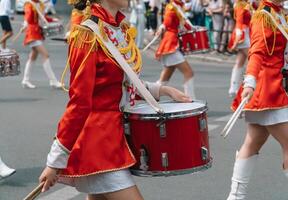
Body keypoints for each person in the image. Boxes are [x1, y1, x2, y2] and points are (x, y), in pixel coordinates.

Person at [38, 0, 191, 199]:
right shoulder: (86, 36)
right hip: (98, 145)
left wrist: (164, 90)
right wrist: (55, 160)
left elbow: (121, 85)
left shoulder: (118, 30)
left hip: (113, 138)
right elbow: (79, 103)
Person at [226, 0, 288, 199]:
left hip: (268, 86)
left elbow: (281, 51)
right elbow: (256, 54)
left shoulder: (276, 13)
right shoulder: (263, 16)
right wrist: (249, 83)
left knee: (252, 142)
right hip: (266, 88)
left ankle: (235, 197)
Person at [155, 0, 196, 99]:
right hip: (171, 44)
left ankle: (151, 94)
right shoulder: (171, 7)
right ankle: (190, 100)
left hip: (173, 43)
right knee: (189, 72)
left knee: (166, 75)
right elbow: (167, 23)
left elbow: (179, 23)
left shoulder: (177, 6)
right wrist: (162, 27)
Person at [21, 0, 62, 89]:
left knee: (33, 57)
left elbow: (42, 17)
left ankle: (25, 80)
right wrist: (25, 23)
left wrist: (53, 19)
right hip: (32, 34)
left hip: (37, 33)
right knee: (45, 55)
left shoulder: (38, 4)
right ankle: (53, 80)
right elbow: (28, 18)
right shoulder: (29, 4)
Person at [227, 0, 251, 97]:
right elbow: (239, 23)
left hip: (245, 33)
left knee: (240, 62)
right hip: (243, 35)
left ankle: (234, 88)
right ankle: (249, 85)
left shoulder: (245, 4)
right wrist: (237, 40)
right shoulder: (241, 5)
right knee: (252, 60)